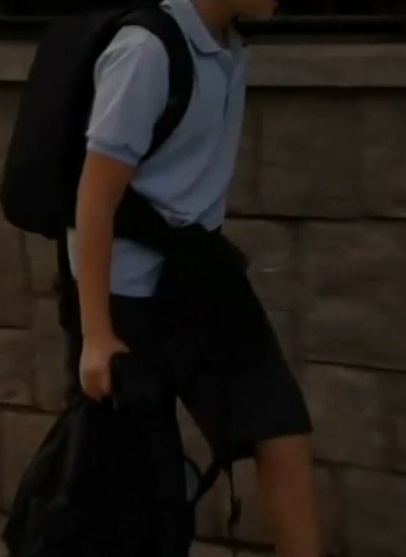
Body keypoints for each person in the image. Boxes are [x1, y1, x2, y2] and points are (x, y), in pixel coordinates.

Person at [66, 1, 322, 555]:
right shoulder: (146, 52)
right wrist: (96, 334)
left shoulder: (227, 44)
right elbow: (93, 199)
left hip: (200, 276)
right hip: (127, 294)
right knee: (141, 495)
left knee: (281, 429)